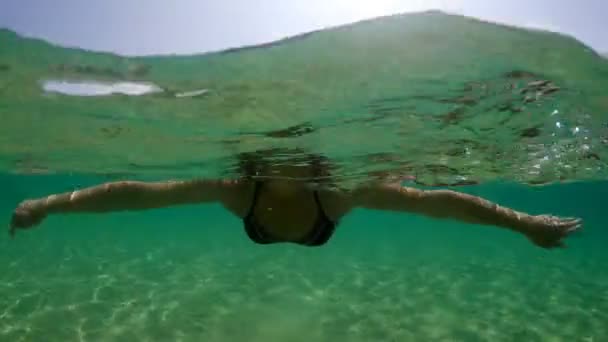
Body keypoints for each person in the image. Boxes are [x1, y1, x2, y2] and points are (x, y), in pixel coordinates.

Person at [8, 150, 581, 249]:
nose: (287, 156)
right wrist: (50, 203)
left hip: (315, 226)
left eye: (301, 151)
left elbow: (439, 202)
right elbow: (136, 195)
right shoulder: (237, 188)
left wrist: (525, 221)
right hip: (268, 221)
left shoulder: (339, 190)